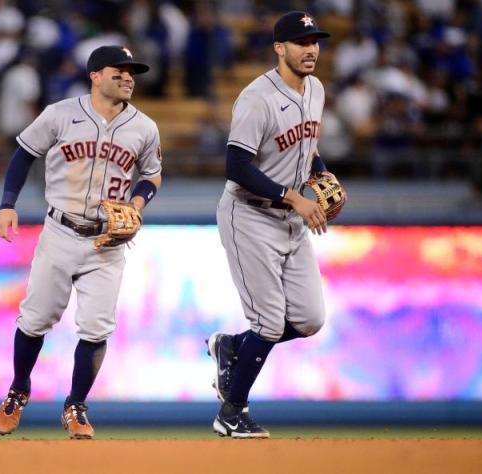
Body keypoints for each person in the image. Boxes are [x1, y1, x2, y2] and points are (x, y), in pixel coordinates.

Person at [0, 45, 163, 439]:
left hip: (109, 240)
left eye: (131, 72)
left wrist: (137, 204)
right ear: (95, 76)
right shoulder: (60, 114)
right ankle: (19, 389)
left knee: (96, 328)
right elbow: (23, 155)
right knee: (35, 319)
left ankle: (76, 405)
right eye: (118, 71)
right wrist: (7, 205)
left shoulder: (144, 127)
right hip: (60, 231)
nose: (127, 77)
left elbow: (151, 175)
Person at [207, 11, 331, 438]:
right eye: (301, 41)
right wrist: (294, 196)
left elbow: (307, 148)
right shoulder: (257, 97)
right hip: (250, 214)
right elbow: (236, 165)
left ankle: (230, 346)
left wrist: (322, 175)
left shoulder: (315, 89)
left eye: (314, 40)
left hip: (290, 220)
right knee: (268, 322)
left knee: (311, 318)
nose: (310, 48)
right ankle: (231, 412)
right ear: (279, 48)